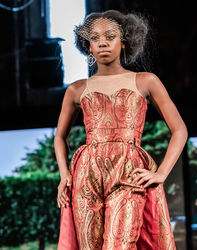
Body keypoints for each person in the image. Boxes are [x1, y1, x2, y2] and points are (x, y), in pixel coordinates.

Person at [54, 9, 188, 250]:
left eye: (110, 36)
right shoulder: (76, 89)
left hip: (129, 172)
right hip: (86, 175)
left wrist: (161, 174)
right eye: (94, 38)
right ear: (88, 46)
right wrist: (65, 174)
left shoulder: (146, 81)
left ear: (124, 41)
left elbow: (179, 130)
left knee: (120, 245)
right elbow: (60, 137)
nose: (102, 42)